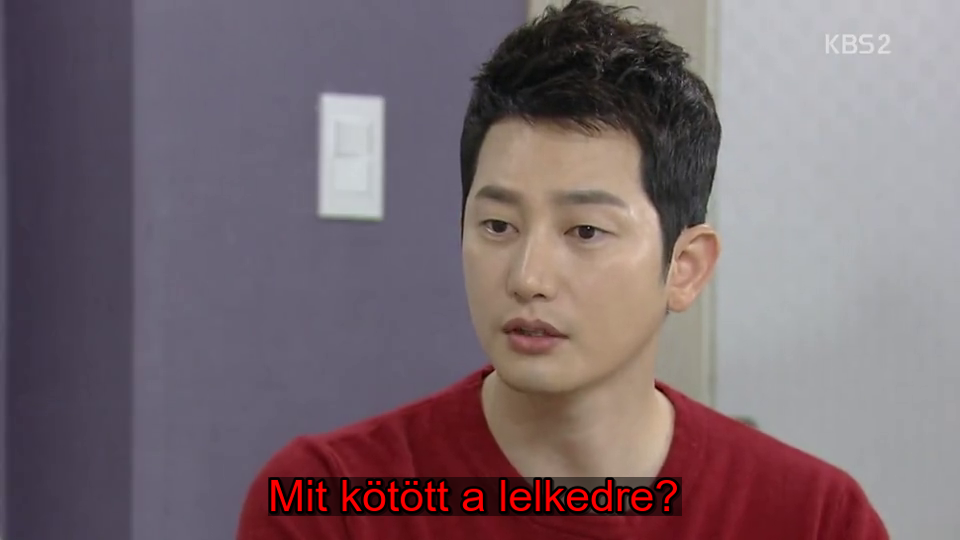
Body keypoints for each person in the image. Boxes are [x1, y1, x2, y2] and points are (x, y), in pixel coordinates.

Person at [236, 1, 889, 538]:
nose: (528, 277)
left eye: (585, 231)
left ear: (685, 268)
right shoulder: (332, 502)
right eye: (498, 226)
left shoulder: (812, 518)